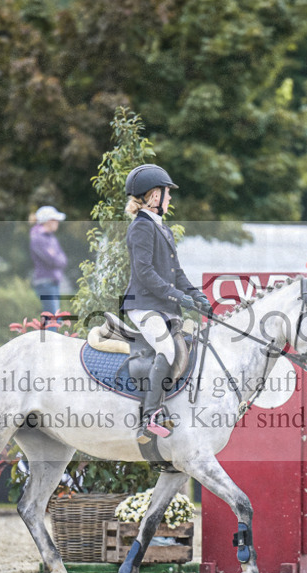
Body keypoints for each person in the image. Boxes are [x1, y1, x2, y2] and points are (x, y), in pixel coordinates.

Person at [120, 163, 211, 443]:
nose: (171, 198)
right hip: (143, 305)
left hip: (160, 305)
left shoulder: (164, 229)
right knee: (167, 348)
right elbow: (145, 274)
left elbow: (177, 273)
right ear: (155, 196)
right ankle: (149, 417)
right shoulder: (141, 229)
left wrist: (196, 294)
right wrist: (177, 296)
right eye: (167, 193)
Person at [29, 205, 68, 316]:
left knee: (54, 319)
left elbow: (62, 259)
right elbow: (52, 260)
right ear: (48, 221)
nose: (57, 223)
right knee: (52, 319)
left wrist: (56, 257)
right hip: (45, 283)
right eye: (55, 220)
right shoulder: (38, 238)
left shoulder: (50, 237)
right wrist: (56, 257)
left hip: (53, 282)